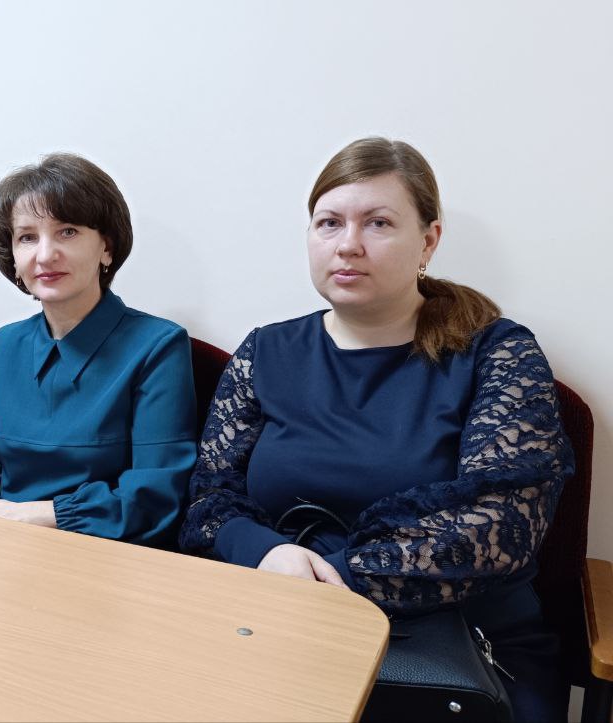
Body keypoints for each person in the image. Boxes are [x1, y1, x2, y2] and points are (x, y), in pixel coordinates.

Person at [180, 137, 573, 719]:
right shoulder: (265, 351)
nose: (348, 245)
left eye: (378, 223)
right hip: (278, 618)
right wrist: (268, 554)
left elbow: (504, 523)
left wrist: (334, 579)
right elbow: (210, 498)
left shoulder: (497, 353)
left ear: (429, 240)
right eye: (329, 223)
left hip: (455, 649)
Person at [0, 153, 197, 548]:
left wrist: (39, 514)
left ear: (107, 247)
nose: (45, 254)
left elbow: (156, 495)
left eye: (67, 231)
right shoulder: (4, 346)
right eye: (27, 237)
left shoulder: (158, 346)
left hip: (104, 554)